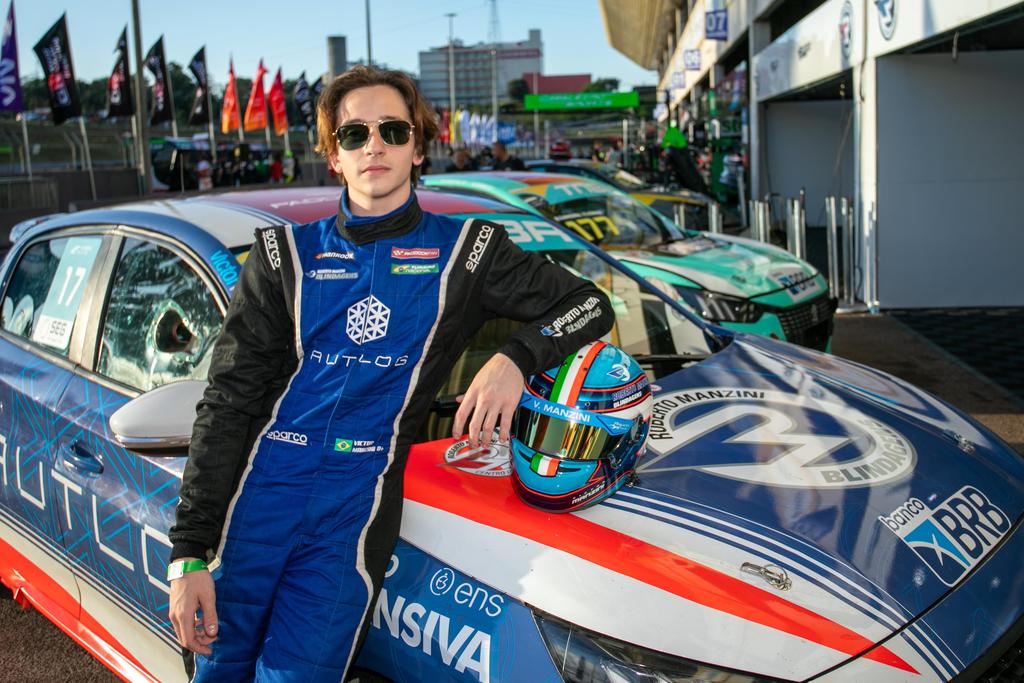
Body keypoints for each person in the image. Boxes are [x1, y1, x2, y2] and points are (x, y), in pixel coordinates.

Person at [166, 64, 612, 682]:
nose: (373, 145)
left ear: (418, 147)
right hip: (253, 503)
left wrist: (515, 358)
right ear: (334, 157)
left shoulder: (468, 252)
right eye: (354, 134)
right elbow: (227, 401)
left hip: (351, 517)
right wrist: (188, 553)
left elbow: (589, 303)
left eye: (393, 130)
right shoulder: (281, 257)